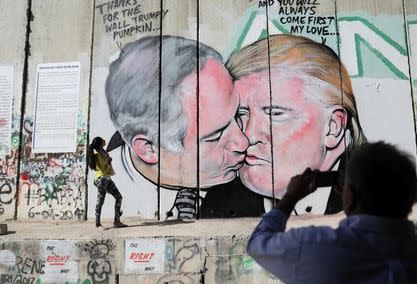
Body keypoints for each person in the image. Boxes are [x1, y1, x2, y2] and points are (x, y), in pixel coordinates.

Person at [247, 141, 417, 284]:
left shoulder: (311, 247)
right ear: (408, 199)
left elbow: (258, 243)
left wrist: (290, 197)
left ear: (350, 198)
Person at [202, 34, 366, 217]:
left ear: (333, 126)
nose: (248, 136)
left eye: (275, 114)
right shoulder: (220, 201)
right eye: (241, 114)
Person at [105, 35, 249, 218]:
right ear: (149, 148)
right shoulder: (109, 197)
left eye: (238, 115)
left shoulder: (258, 184)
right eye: (216, 136)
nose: (243, 142)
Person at [87, 136, 127, 228]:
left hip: (107, 179)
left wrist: (109, 161)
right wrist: (109, 163)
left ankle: (117, 221)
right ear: (100, 144)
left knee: (118, 197)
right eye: (103, 140)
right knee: (100, 201)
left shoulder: (104, 153)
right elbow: (103, 170)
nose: (105, 140)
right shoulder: (98, 156)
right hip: (102, 180)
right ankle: (98, 224)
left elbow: (107, 168)